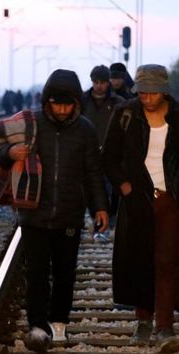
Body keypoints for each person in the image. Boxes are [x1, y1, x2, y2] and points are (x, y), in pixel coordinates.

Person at [0, 69, 109, 354]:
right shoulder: (29, 124)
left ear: (76, 102)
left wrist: (99, 207)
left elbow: (92, 173)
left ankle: (60, 323)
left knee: (65, 272)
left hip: (69, 213)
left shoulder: (86, 130)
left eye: (67, 104)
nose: (62, 110)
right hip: (34, 213)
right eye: (57, 104)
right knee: (37, 272)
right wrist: (9, 155)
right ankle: (38, 326)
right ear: (47, 102)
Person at [101, 64, 179, 353]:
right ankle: (143, 321)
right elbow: (108, 157)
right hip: (137, 202)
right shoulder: (126, 113)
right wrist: (125, 187)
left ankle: (165, 327)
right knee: (139, 261)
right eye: (141, 92)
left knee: (167, 263)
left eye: (152, 93)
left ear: (164, 92)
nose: (145, 98)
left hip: (170, 202)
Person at [81, 64, 124, 242]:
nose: (99, 86)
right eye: (96, 82)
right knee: (89, 190)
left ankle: (105, 226)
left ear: (108, 83)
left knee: (109, 190)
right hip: (86, 154)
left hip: (110, 154)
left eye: (103, 82)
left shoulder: (118, 103)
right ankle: (97, 224)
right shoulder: (82, 102)